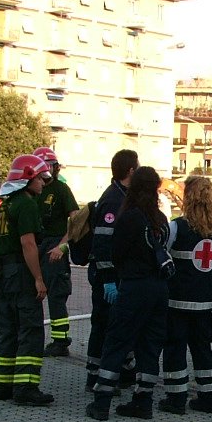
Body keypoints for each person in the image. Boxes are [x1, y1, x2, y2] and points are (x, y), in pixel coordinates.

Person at [86, 166, 170, 421]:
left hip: (134, 286)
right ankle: (142, 402)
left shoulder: (130, 217)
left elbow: (117, 253)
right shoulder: (160, 220)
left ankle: (101, 403)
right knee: (150, 346)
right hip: (159, 289)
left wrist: (113, 279)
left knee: (117, 342)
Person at [0, 154, 53, 406]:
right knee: (30, 330)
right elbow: (28, 243)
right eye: (39, 178)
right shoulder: (26, 205)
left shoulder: (3, 206)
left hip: (2, 274)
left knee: (8, 330)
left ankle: (2, 385)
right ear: (27, 179)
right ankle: (26, 387)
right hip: (20, 274)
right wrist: (38, 278)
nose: (43, 182)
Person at [159, 175, 212, 415]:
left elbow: (162, 257)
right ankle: (209, 397)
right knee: (202, 349)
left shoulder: (177, 227)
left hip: (176, 303)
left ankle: (176, 398)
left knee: (175, 349)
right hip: (204, 304)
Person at [87, 149, 139, 391]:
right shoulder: (113, 200)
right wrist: (108, 278)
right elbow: (103, 241)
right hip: (107, 277)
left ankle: (121, 371)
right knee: (103, 325)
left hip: (118, 276)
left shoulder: (124, 196)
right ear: (130, 171)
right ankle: (96, 376)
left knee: (117, 325)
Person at [33, 147, 79, 356]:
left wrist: (62, 245)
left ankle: (60, 341)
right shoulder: (33, 189)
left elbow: (76, 220)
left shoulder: (61, 190)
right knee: (32, 294)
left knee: (56, 297)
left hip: (54, 249)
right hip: (36, 246)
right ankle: (31, 337)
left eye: (48, 166)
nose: (45, 171)